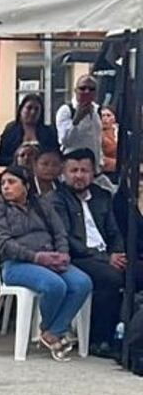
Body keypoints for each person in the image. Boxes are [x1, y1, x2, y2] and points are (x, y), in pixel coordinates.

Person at [0, 165, 91, 361]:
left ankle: (52, 331)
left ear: (26, 185)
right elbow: (5, 245)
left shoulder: (42, 204)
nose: (6, 187)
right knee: (54, 285)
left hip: (50, 259)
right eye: (3, 183)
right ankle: (52, 330)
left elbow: (59, 232)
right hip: (16, 265)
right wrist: (36, 258)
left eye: (12, 182)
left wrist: (63, 254)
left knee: (82, 283)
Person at [51, 148, 126, 357]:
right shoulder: (57, 200)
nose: (79, 175)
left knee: (136, 273)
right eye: (73, 170)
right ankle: (99, 339)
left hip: (108, 256)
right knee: (111, 277)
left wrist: (118, 253)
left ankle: (128, 334)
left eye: (84, 170)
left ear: (93, 173)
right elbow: (66, 238)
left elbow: (114, 231)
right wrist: (106, 258)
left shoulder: (102, 196)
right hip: (79, 258)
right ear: (63, 173)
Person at [0, 93, 58, 168]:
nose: (32, 112)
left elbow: (56, 155)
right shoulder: (10, 130)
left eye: (36, 109)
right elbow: (0, 159)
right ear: (21, 109)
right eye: (29, 108)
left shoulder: (49, 132)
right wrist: (17, 158)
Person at [57, 75, 102, 166]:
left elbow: (97, 140)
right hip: (73, 165)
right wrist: (76, 120)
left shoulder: (97, 110)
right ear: (75, 90)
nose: (87, 91)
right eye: (82, 88)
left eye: (91, 89)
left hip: (93, 166)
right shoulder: (66, 110)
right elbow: (64, 141)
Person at [100, 105, 119, 179]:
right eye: (103, 116)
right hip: (107, 172)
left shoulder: (120, 132)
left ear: (114, 118)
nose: (105, 118)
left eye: (108, 115)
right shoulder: (97, 134)